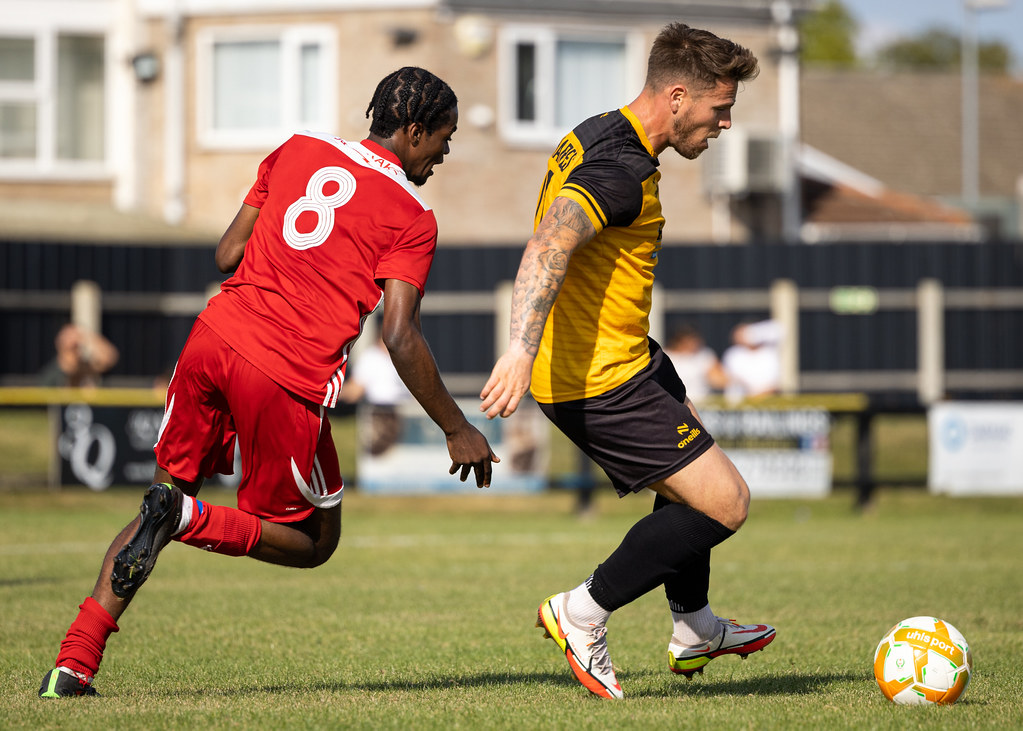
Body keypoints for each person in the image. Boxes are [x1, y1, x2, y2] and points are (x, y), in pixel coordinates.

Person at [39, 66, 499, 699]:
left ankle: (73, 664)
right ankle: (186, 518)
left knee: (163, 488)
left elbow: (228, 255)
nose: (444, 153)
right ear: (414, 131)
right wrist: (457, 425)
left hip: (211, 339)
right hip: (284, 370)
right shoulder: (414, 214)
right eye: (442, 139)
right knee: (314, 541)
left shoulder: (298, 147)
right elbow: (400, 335)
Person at [480, 23, 774, 699]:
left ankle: (695, 626)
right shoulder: (621, 168)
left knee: (692, 474)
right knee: (726, 501)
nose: (725, 123)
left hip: (629, 354)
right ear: (676, 96)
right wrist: (520, 350)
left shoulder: (598, 131)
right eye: (718, 108)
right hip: (598, 376)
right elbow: (550, 239)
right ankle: (580, 611)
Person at [663, 324, 728, 406]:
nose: (694, 343)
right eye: (689, 340)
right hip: (675, 405)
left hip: (702, 405)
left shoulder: (704, 355)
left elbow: (720, 380)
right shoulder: (666, 356)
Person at [39, 323, 119, 388]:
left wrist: (88, 338)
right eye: (73, 348)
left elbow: (109, 358)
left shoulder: (86, 367)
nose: (77, 352)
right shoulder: (51, 375)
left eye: (77, 347)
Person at [721, 319, 782, 402]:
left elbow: (780, 329)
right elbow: (728, 380)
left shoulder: (769, 353)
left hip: (765, 402)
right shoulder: (733, 354)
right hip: (738, 404)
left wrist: (752, 333)